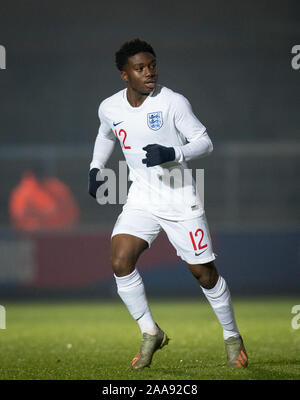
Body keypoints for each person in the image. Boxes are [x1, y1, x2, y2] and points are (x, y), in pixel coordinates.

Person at [88, 39, 248, 370]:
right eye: (141, 68)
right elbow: (106, 134)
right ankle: (150, 332)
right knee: (120, 259)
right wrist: (95, 168)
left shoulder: (173, 102)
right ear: (124, 75)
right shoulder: (110, 107)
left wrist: (173, 153)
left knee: (203, 274)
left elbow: (205, 142)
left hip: (180, 199)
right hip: (141, 198)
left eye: (153, 65)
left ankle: (232, 336)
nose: (150, 73)